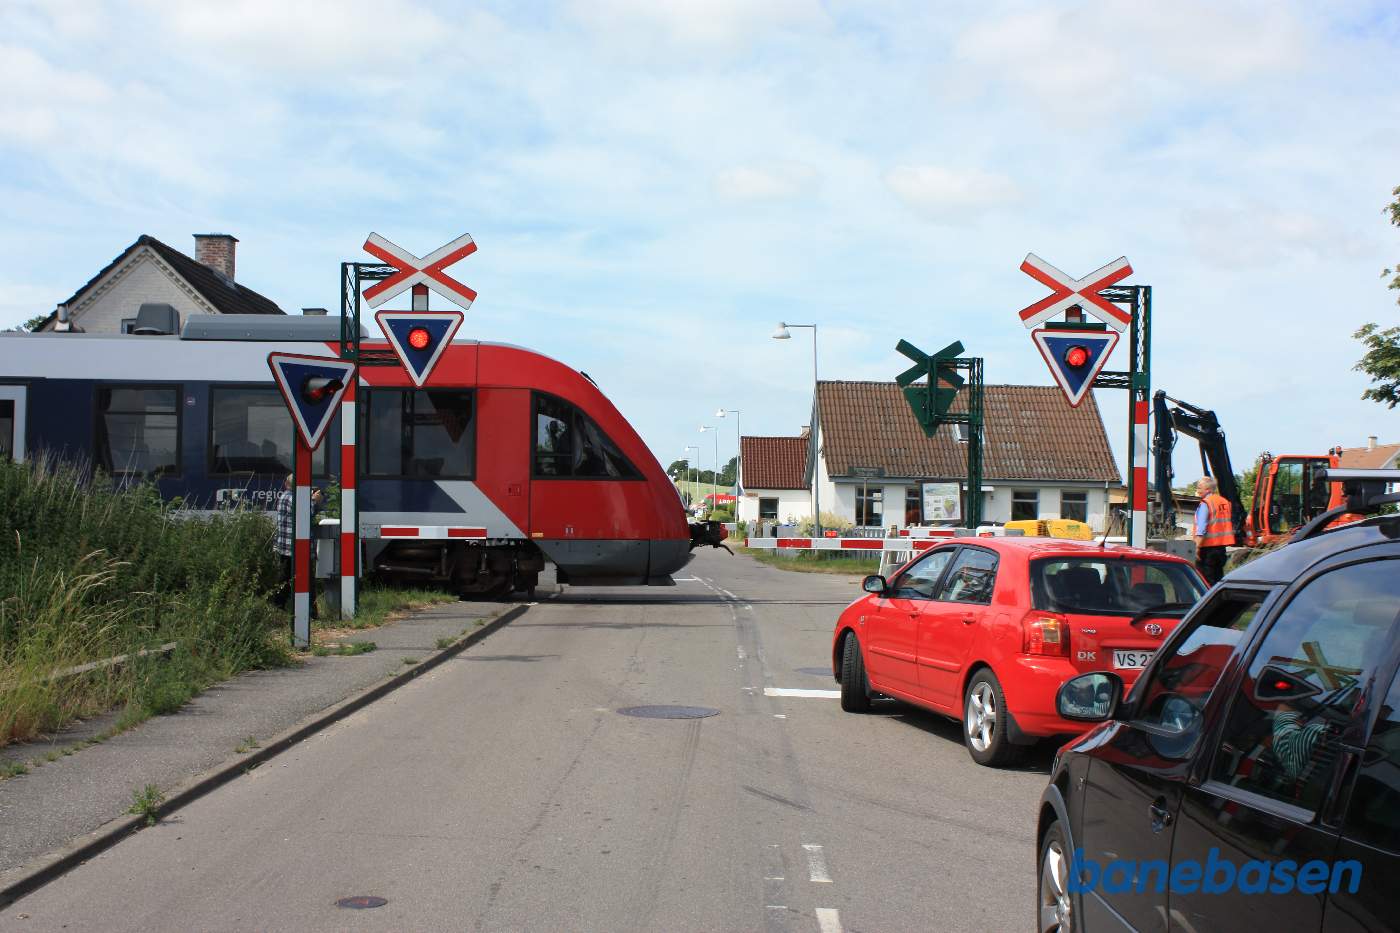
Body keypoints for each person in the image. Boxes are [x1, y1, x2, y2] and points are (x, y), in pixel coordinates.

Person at [273, 473, 321, 608]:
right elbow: (305, 513)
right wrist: (313, 501)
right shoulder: (290, 498)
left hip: (287, 546)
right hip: (293, 546)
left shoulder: (286, 496)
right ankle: (310, 611)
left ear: (286, 483)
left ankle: (279, 605)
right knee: (306, 579)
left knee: (286, 578)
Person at [1193, 476, 1235, 585]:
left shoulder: (1205, 504)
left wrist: (1197, 547)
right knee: (1218, 581)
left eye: (1199, 488)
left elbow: (1202, 528)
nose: (1197, 490)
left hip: (1207, 550)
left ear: (1207, 490)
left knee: (1204, 583)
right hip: (1221, 549)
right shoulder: (1224, 502)